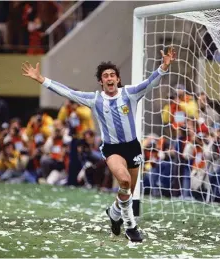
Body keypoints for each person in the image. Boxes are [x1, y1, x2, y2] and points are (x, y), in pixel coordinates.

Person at [21, 47, 176, 242]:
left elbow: (150, 82)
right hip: (113, 149)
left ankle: (113, 212)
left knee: (125, 192)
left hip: (133, 148)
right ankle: (131, 227)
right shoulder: (95, 100)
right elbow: (67, 92)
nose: (109, 78)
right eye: (105, 76)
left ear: (118, 79)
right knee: (125, 182)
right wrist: (42, 79)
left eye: (112, 75)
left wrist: (163, 66)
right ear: (101, 81)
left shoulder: (130, 94)